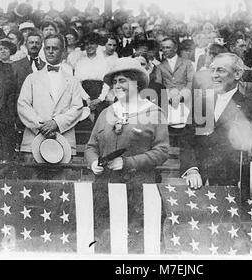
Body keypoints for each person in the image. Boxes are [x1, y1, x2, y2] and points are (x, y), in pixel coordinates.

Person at [85, 57, 169, 253]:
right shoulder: (106, 113)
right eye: (114, 82)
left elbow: (161, 151)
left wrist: (127, 162)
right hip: (105, 189)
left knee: (137, 246)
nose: (117, 86)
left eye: (122, 80)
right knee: (106, 243)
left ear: (137, 83)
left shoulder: (153, 112)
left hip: (139, 191)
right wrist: (93, 163)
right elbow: (90, 147)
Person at [181, 53, 252, 189]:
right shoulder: (202, 102)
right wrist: (192, 170)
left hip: (236, 184)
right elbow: (187, 141)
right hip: (200, 183)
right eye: (212, 70)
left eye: (221, 70)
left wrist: (251, 181)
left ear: (237, 74)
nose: (214, 75)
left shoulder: (250, 105)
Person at [17, 34, 83, 179]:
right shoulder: (32, 78)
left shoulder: (72, 81)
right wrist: (42, 127)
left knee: (61, 190)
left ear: (63, 52)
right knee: (32, 187)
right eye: (48, 48)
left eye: (55, 48)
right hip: (34, 139)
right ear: (43, 50)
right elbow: (23, 105)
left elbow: (77, 107)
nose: (51, 51)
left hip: (63, 140)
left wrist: (56, 123)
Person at [75, 32, 110, 121]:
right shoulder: (80, 62)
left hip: (100, 94)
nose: (89, 46)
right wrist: (87, 99)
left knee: (100, 120)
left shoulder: (104, 62)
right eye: (87, 44)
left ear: (97, 45)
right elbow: (77, 83)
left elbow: (107, 82)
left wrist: (100, 98)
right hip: (83, 95)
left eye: (92, 43)